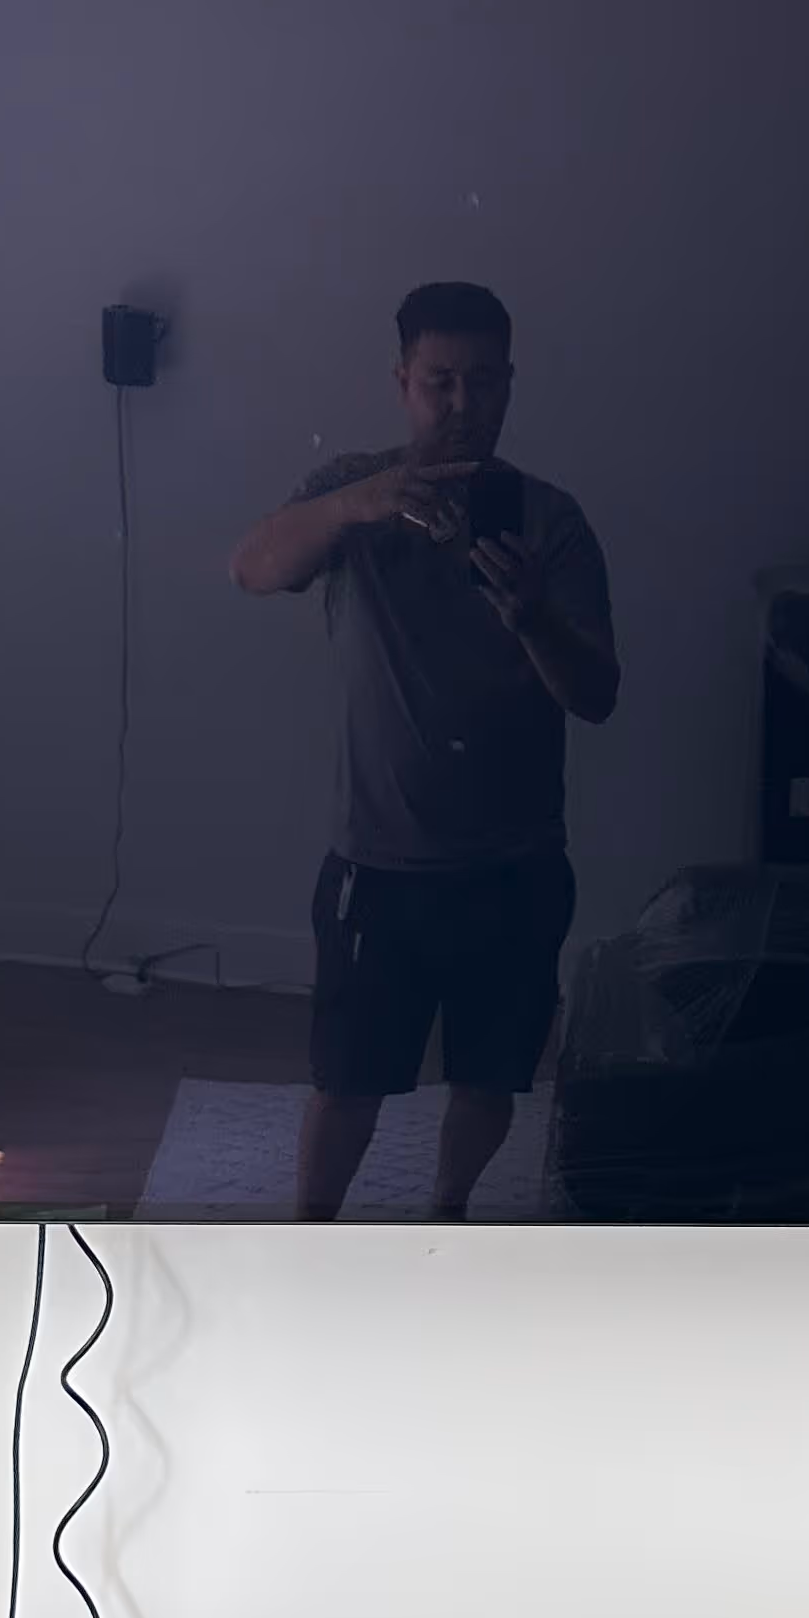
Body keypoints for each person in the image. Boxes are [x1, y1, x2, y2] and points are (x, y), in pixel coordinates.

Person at [229, 283, 618, 1218]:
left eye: (483, 385)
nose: (460, 407)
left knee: (492, 1078)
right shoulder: (350, 499)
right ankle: (309, 1233)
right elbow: (252, 568)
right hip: (379, 857)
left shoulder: (551, 521)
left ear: (511, 387)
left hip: (516, 863)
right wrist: (359, 502)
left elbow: (596, 696)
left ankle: (448, 1211)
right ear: (403, 381)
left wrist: (531, 620)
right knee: (348, 1080)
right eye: (439, 382)